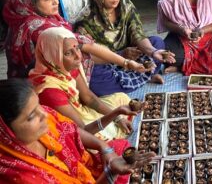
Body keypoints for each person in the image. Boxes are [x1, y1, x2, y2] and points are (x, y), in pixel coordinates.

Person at [2, 0, 152, 97]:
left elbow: (136, 33)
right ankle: (144, 74)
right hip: (46, 88)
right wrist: (124, 61)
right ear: (30, 2)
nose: (56, 2)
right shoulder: (38, 27)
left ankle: (140, 72)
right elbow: (86, 49)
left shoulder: (43, 18)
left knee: (155, 43)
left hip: (88, 63)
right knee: (99, 78)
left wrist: (136, 56)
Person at [0, 78, 155, 184]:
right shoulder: (22, 177)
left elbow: (74, 130)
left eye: (39, 104)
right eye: (32, 115)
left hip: (86, 170)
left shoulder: (45, 117)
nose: (45, 114)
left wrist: (104, 147)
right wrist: (110, 174)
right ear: (6, 132)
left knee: (119, 147)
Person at [29, 27, 140, 141]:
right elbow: (83, 130)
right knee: (103, 138)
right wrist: (115, 115)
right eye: (68, 53)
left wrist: (118, 118)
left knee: (121, 98)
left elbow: (88, 98)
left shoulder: (63, 67)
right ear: (53, 55)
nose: (78, 56)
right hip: (77, 125)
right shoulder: (49, 90)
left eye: (77, 48)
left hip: (81, 110)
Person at [76, 0, 176, 94]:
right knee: (95, 80)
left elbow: (137, 33)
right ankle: (145, 77)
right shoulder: (85, 20)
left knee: (157, 42)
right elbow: (88, 57)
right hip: (109, 63)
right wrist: (121, 54)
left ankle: (136, 79)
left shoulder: (125, 5)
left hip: (133, 58)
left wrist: (153, 51)